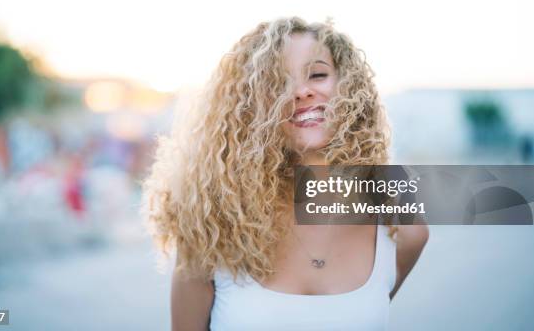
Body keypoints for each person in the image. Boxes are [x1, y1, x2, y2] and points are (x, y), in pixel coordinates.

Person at [141, 17, 429, 330]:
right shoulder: (212, 225)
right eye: (277, 84)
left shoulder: (400, 220)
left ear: (350, 87)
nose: (301, 91)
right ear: (249, 107)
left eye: (317, 74)